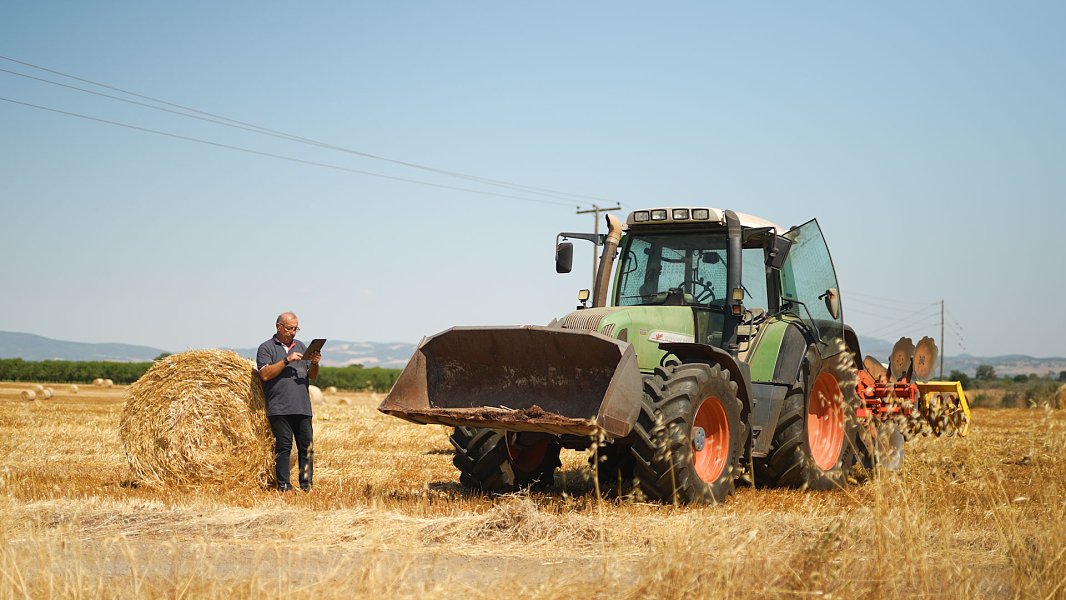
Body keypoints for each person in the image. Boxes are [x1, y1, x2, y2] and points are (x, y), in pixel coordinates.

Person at [257, 311, 321, 492]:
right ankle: (284, 486)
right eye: (290, 328)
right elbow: (264, 374)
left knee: (307, 447)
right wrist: (286, 360)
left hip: (302, 406)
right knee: (284, 447)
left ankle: (306, 485)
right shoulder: (266, 348)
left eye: (296, 329)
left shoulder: (301, 346)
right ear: (279, 327)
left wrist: (315, 363)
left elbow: (312, 376)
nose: (293, 332)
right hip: (279, 407)